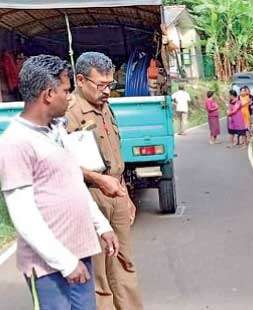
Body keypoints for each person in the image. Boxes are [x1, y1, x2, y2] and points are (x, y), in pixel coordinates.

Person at [0, 54, 118, 309]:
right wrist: (65, 262)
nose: (70, 97)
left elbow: (74, 184)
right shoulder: (15, 142)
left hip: (79, 254)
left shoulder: (56, 132)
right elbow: (24, 216)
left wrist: (102, 225)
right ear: (48, 94)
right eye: (66, 90)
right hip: (48, 268)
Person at [65, 52, 143, 310]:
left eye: (110, 84)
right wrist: (97, 179)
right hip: (89, 196)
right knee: (98, 270)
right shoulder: (70, 112)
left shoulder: (106, 107)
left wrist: (126, 195)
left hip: (116, 193)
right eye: (101, 85)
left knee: (124, 263)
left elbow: (115, 154)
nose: (107, 91)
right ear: (80, 80)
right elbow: (62, 164)